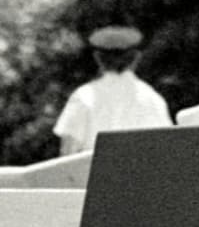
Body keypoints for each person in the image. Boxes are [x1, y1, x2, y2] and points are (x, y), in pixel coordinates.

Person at [54, 25, 171, 156]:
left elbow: (67, 154)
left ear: (98, 58)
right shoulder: (152, 99)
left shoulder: (83, 97)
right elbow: (166, 149)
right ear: (135, 58)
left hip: (94, 175)